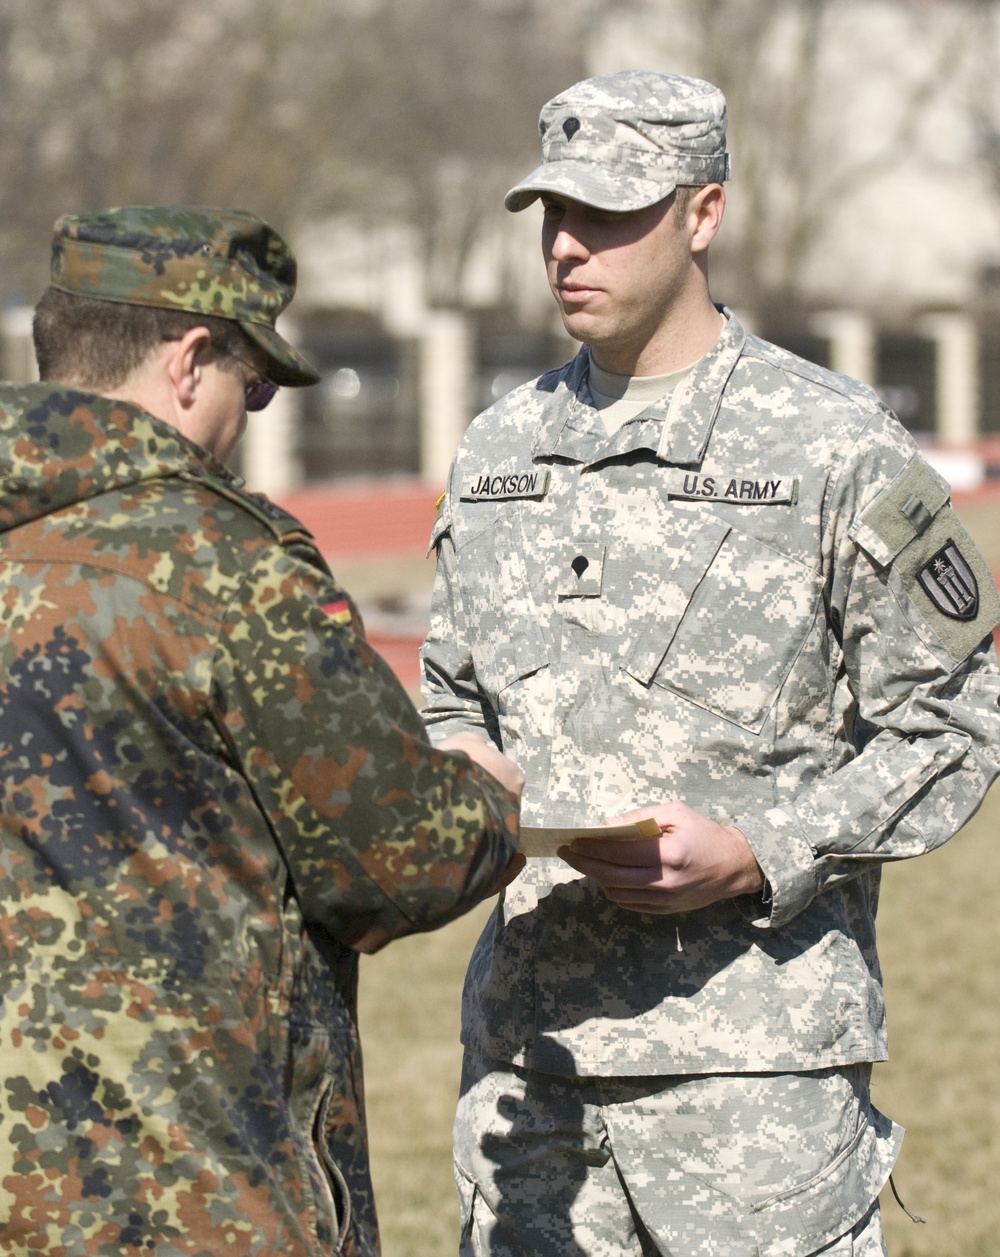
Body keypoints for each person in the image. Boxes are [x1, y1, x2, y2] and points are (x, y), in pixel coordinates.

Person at [420, 71, 1000, 1256]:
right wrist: (458, 769)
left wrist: (759, 850)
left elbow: (958, 720)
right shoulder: (497, 450)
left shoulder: (831, 445)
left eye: (611, 213)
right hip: (533, 1068)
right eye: (551, 215)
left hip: (756, 1083)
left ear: (703, 213)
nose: (570, 246)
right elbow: (447, 696)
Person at [0, 205, 524, 1255]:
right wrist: (485, 794)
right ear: (189, 361)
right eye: (254, 385)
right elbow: (402, 861)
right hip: (187, 1194)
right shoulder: (223, 565)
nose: (251, 419)